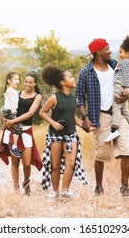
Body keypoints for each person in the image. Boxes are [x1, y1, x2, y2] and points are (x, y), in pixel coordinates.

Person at [76, 38, 129, 197]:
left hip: (119, 114)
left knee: (127, 150)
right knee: (101, 154)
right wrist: (85, 117)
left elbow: (128, 82)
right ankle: (99, 187)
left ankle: (125, 187)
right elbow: (79, 97)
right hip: (100, 116)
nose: (110, 51)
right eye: (107, 49)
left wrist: (126, 94)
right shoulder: (86, 72)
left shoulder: (115, 65)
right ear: (98, 52)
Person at [39, 64, 88, 200]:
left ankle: (66, 190)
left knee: (70, 164)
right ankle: (55, 192)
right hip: (55, 136)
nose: (74, 79)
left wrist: (85, 126)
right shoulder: (55, 97)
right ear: (63, 82)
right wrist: (53, 123)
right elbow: (42, 112)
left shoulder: (74, 100)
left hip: (71, 135)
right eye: (70, 77)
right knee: (54, 165)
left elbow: (73, 117)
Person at [0, 71, 43, 195]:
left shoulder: (37, 96)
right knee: (15, 162)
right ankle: (16, 187)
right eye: (26, 81)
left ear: (35, 84)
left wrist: (12, 121)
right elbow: (4, 107)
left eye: (31, 82)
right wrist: (5, 120)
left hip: (26, 130)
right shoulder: (17, 93)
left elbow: (29, 114)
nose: (27, 84)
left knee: (27, 163)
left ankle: (26, 183)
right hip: (14, 130)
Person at [104, 35, 129, 143]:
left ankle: (114, 129)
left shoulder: (126, 62)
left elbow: (125, 76)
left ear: (128, 53)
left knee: (115, 105)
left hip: (120, 86)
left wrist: (125, 87)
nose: (119, 55)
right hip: (124, 86)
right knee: (125, 110)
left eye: (121, 52)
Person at [1, 72, 23, 158]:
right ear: (9, 81)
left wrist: (17, 93)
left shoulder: (13, 90)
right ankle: (14, 147)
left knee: (13, 126)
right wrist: (13, 108)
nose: (18, 81)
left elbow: (13, 97)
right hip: (9, 111)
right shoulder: (9, 90)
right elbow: (10, 99)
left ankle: (7, 139)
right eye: (15, 79)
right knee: (19, 127)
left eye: (18, 79)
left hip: (9, 111)